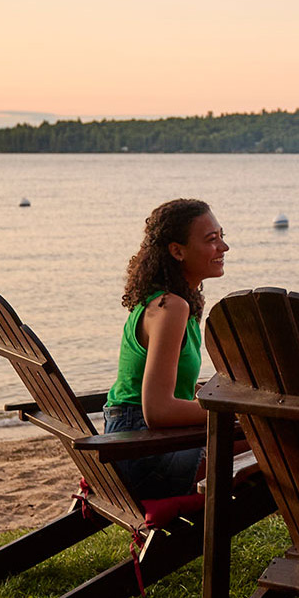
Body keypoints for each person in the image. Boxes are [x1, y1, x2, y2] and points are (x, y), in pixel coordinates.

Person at [101, 197, 229, 500]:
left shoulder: (166, 302)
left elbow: (171, 388)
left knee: (265, 437)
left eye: (223, 237)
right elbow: (158, 411)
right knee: (273, 442)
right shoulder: (171, 307)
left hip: (136, 442)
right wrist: (232, 412)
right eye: (212, 240)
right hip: (145, 455)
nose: (224, 248)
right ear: (177, 251)